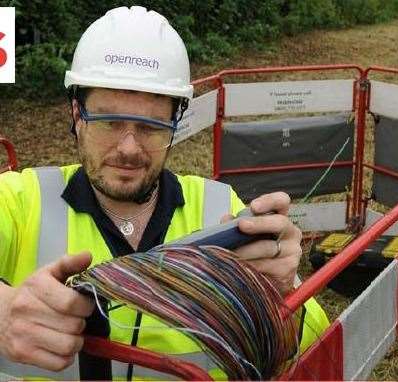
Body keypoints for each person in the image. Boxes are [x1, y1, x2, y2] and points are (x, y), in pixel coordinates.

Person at [0, 6, 329, 380]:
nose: (128, 148)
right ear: (76, 114)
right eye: (109, 123)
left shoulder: (220, 209)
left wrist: (284, 294)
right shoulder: (19, 199)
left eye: (151, 127)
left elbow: (314, 355)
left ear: (175, 124)